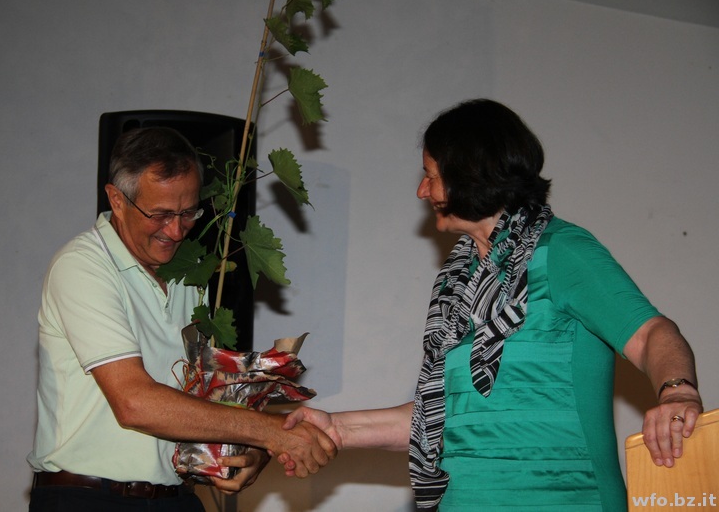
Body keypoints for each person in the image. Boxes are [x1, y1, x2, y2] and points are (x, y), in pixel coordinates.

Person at [281, 99, 703, 511]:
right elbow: (443, 416)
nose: (421, 191)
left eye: (431, 176)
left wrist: (677, 393)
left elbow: (652, 333)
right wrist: (337, 428)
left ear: (469, 175)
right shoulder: (458, 283)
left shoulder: (562, 252)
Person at [27, 127, 336, 511]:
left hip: (178, 498)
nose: (175, 231)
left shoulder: (190, 275)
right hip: (89, 499)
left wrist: (253, 450)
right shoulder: (82, 266)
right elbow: (135, 403)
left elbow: (208, 396)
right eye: (160, 214)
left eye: (188, 212)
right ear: (116, 200)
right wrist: (269, 432)